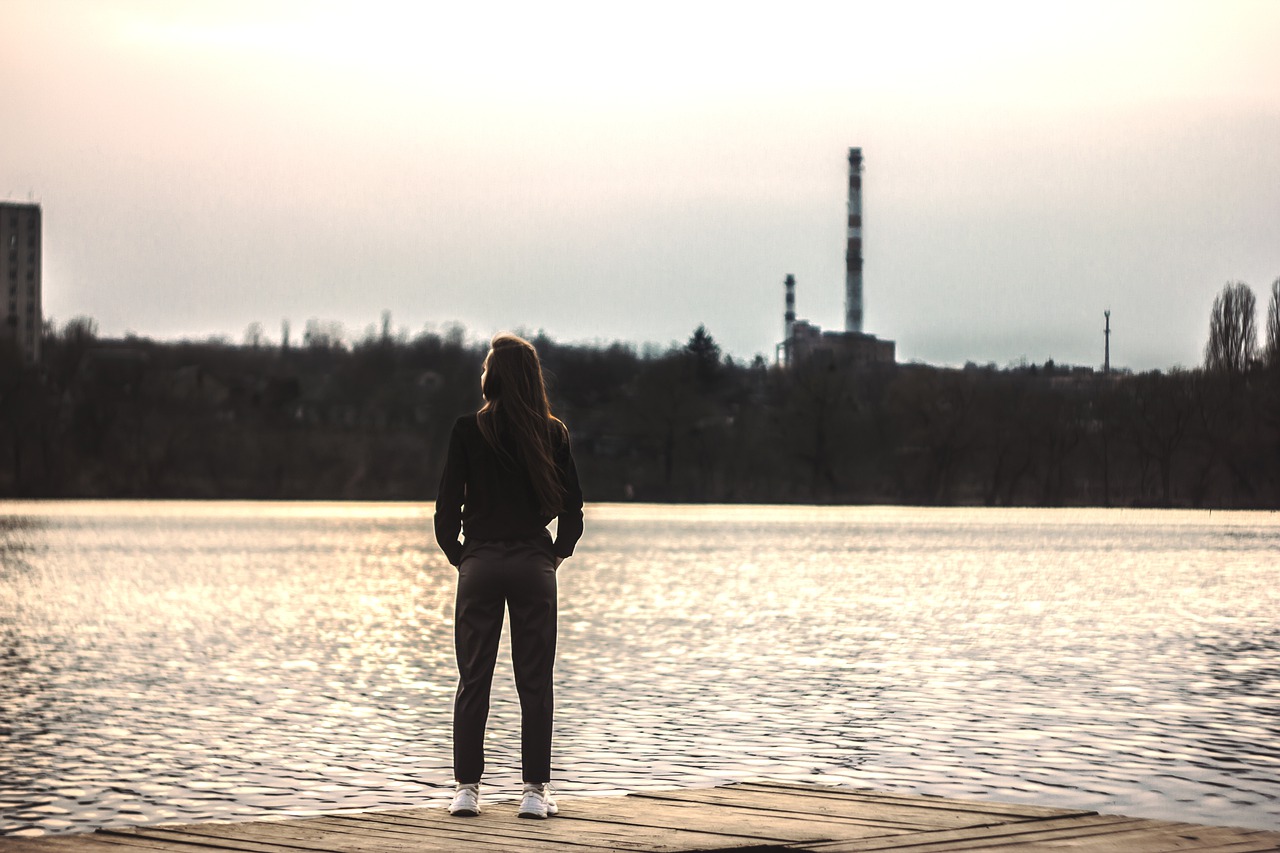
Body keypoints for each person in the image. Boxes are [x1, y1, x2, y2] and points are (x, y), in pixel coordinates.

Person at [434, 333, 584, 820]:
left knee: (473, 678)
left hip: (479, 565)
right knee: (535, 682)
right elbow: (574, 512)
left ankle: (466, 790)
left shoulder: (466, 429)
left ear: (491, 376)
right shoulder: (554, 433)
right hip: (533, 567)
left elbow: (444, 511)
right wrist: (554, 557)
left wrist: (462, 556)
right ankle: (535, 793)